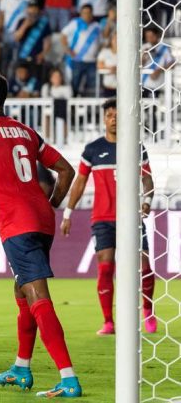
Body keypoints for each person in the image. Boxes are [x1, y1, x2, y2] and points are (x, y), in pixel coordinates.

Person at [0, 69, 82, 398]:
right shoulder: (25, 131)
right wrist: (49, 204)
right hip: (41, 219)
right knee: (22, 292)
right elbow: (66, 170)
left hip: (16, 223)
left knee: (37, 296)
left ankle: (68, 378)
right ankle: (21, 367)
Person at [60, 98, 156, 335]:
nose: (114, 119)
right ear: (104, 119)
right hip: (102, 219)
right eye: (110, 115)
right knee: (104, 268)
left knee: (144, 265)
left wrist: (146, 201)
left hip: (131, 218)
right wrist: (68, 213)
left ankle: (148, 311)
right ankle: (108, 321)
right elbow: (80, 182)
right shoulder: (92, 150)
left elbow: (147, 179)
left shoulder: (136, 147)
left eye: (118, 115)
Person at [61, 4, 101, 97]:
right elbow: (63, 36)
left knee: (91, 86)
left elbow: (100, 41)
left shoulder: (96, 26)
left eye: (88, 13)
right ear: (81, 14)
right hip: (78, 60)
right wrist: (68, 51)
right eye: (84, 13)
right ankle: (73, 107)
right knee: (75, 85)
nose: (86, 15)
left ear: (92, 14)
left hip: (92, 62)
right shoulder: (75, 23)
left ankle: (90, 109)